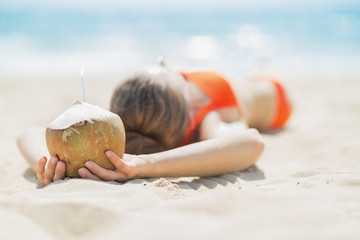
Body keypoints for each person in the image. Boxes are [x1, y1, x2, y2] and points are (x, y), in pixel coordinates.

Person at [17, 59, 291, 185]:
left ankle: (264, 66)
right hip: (264, 91)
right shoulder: (186, 104)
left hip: (275, 97)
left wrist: (145, 164)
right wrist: (47, 165)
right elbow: (27, 134)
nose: (162, 60)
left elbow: (252, 142)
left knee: (267, 71)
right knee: (263, 69)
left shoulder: (208, 111)